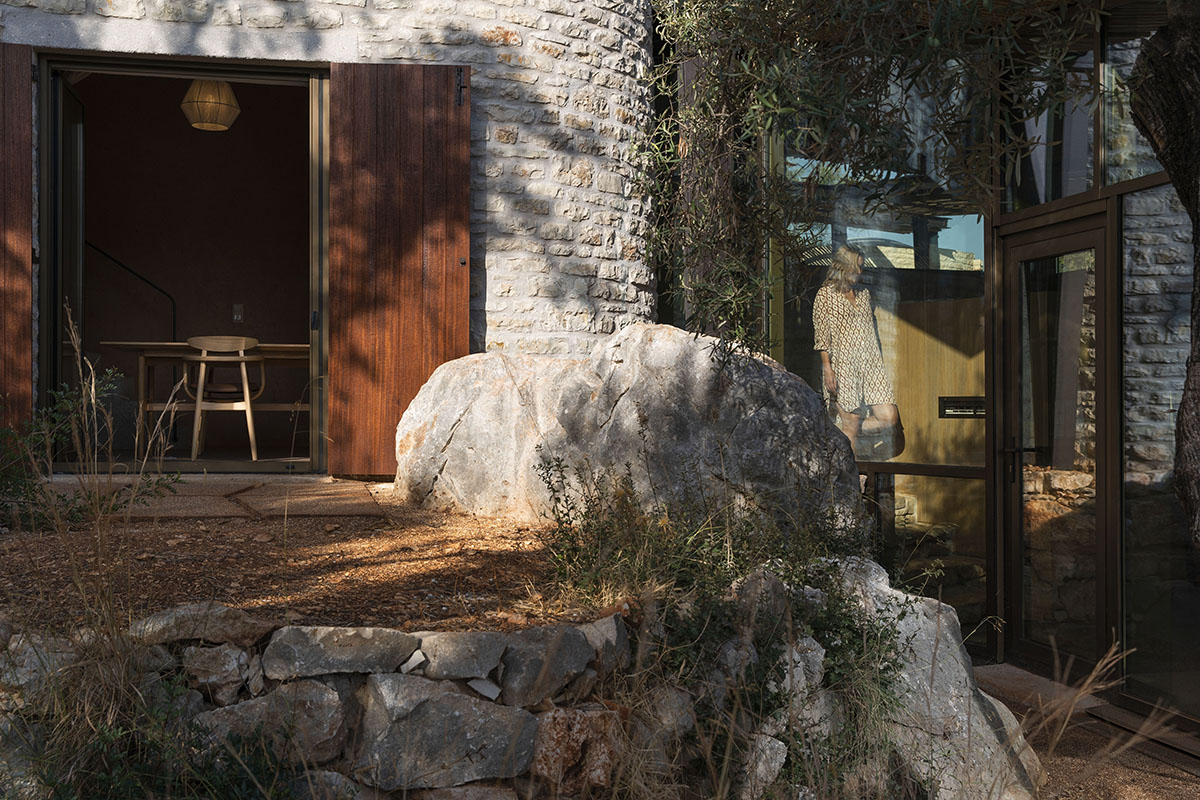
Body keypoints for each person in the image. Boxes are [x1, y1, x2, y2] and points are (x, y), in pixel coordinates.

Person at [812, 244, 903, 455]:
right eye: (857, 267)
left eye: (861, 267)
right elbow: (822, 339)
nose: (860, 272)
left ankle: (842, 426)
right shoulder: (824, 296)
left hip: (871, 364)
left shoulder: (863, 294)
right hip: (843, 365)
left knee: (890, 418)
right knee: (850, 431)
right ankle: (850, 482)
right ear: (844, 267)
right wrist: (828, 369)